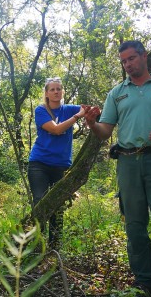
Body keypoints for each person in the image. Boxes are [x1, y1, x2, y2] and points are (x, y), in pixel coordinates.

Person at [84, 40, 151, 297]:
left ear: (144, 56)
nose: (128, 65)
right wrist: (91, 123)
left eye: (131, 58)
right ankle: (145, 283)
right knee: (135, 226)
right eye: (124, 61)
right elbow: (104, 131)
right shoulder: (117, 93)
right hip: (128, 163)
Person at [28, 77, 86, 250]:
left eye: (59, 89)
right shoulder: (41, 110)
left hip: (61, 165)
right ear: (46, 93)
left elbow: (89, 109)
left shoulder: (68, 109)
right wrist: (78, 116)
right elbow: (55, 129)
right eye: (52, 89)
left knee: (58, 205)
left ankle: (54, 248)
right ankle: (36, 245)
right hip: (39, 163)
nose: (55, 92)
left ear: (62, 92)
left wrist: (89, 112)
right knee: (41, 200)